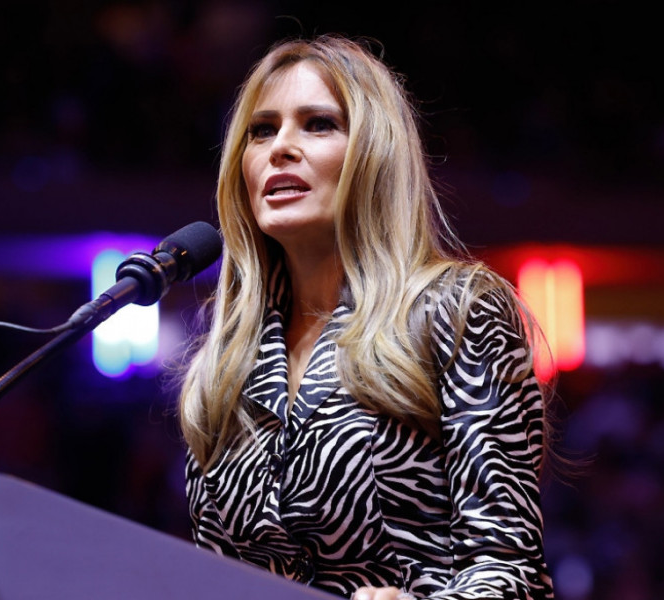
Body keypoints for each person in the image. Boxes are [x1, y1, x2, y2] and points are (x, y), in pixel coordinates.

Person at [177, 34, 554, 600]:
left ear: (374, 153)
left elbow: (511, 570)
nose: (281, 147)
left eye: (318, 124)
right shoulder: (228, 362)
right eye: (261, 130)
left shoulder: (457, 311)